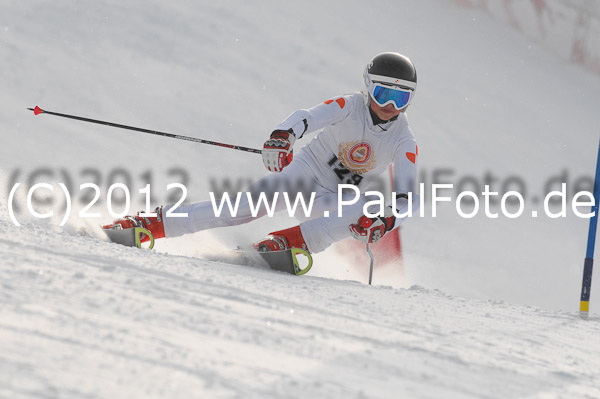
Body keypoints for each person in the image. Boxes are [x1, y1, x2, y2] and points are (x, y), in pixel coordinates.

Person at [104, 52, 420, 257]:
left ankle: (287, 244)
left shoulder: (404, 140)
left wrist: (387, 219)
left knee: (365, 210)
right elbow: (307, 117)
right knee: (242, 208)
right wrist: (282, 137)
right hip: (302, 176)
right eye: (383, 94)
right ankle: (151, 224)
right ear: (368, 88)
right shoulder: (349, 106)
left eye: (399, 98)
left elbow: (409, 198)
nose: (389, 107)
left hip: (331, 200)